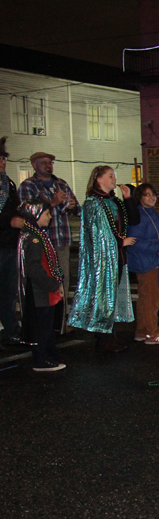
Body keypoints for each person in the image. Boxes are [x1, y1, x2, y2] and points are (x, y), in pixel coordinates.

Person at [68, 166, 135, 352]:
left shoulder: (114, 201)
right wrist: (120, 243)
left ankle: (111, 334)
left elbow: (131, 220)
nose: (114, 179)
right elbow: (98, 235)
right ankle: (104, 337)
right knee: (104, 297)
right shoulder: (92, 203)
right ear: (99, 180)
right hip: (103, 260)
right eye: (110, 176)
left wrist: (127, 198)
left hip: (118, 257)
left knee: (112, 296)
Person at [18, 152, 81, 332]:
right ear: (34, 165)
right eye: (44, 163)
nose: (49, 166)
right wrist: (53, 203)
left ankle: (60, 322)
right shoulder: (29, 185)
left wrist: (72, 206)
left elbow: (77, 208)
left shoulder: (60, 183)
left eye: (51, 162)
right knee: (43, 283)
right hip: (42, 241)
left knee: (63, 280)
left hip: (61, 240)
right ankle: (45, 325)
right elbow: (29, 212)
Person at [17, 200, 65, 371]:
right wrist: (52, 284)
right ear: (36, 216)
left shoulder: (36, 234)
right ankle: (41, 358)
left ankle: (50, 353)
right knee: (43, 326)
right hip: (41, 291)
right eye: (46, 214)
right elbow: (34, 267)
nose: (50, 216)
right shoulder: (35, 238)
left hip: (43, 290)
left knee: (47, 325)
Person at [127, 183, 159, 345]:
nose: (152, 197)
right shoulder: (141, 215)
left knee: (145, 297)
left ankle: (142, 331)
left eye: (153, 194)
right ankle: (152, 332)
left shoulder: (150, 213)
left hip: (149, 259)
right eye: (147, 195)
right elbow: (134, 240)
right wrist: (156, 248)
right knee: (151, 298)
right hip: (145, 260)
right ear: (139, 197)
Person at [0, 137, 23, 346]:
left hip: (9, 244)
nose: (3, 162)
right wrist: (9, 220)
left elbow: (15, 208)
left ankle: (11, 328)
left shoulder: (8, 183)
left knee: (8, 291)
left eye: (4, 158)